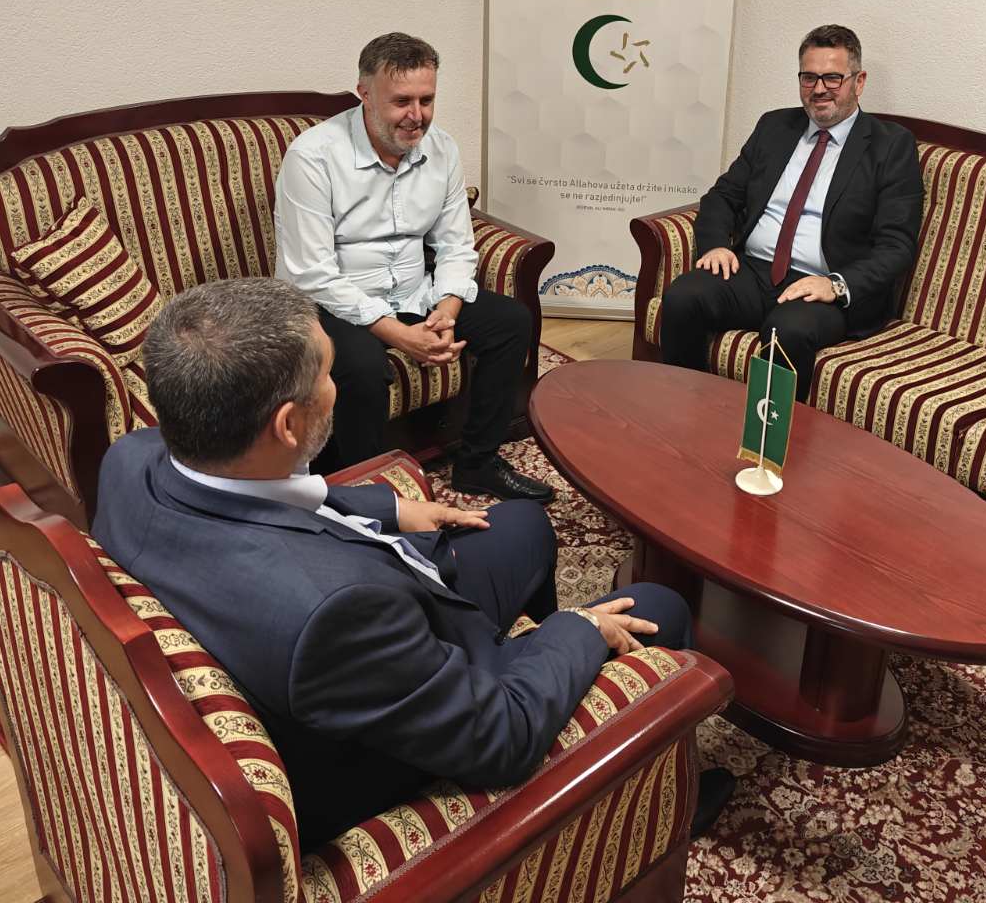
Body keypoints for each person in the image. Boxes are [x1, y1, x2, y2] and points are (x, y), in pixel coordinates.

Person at [93, 278, 732, 847]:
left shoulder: (134, 458)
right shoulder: (334, 616)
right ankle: (663, 804)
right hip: (390, 730)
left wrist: (391, 508)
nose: (337, 388)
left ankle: (522, 649)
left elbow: (262, 492)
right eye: (329, 375)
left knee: (523, 524)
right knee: (657, 607)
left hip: (366, 626)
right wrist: (579, 630)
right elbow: (501, 738)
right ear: (287, 426)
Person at [274, 32, 551, 501]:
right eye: (402, 101)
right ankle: (367, 490)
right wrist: (401, 336)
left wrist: (446, 310)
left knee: (511, 322)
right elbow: (313, 273)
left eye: (426, 100)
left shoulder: (441, 148)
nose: (416, 115)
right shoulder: (313, 156)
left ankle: (477, 463)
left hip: (411, 289)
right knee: (362, 367)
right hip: (331, 301)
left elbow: (456, 244)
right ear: (365, 94)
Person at [660, 25, 923, 400]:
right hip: (753, 270)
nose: (819, 89)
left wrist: (836, 285)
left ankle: (767, 435)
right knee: (684, 296)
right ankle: (684, 408)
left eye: (833, 78)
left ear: (859, 81)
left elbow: (897, 245)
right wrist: (716, 244)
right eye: (809, 77)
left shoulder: (890, 145)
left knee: (787, 331)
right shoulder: (775, 126)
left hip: (821, 285)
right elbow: (724, 195)